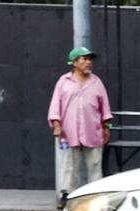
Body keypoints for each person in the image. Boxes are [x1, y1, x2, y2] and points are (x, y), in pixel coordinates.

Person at [47, 46, 113, 203]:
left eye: (89, 59)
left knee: (95, 166)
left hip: (93, 131)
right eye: (84, 59)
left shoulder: (96, 82)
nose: (88, 62)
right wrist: (57, 125)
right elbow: (55, 106)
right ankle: (67, 196)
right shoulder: (64, 81)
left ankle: (96, 196)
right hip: (70, 132)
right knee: (70, 166)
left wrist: (106, 127)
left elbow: (105, 107)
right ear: (74, 62)